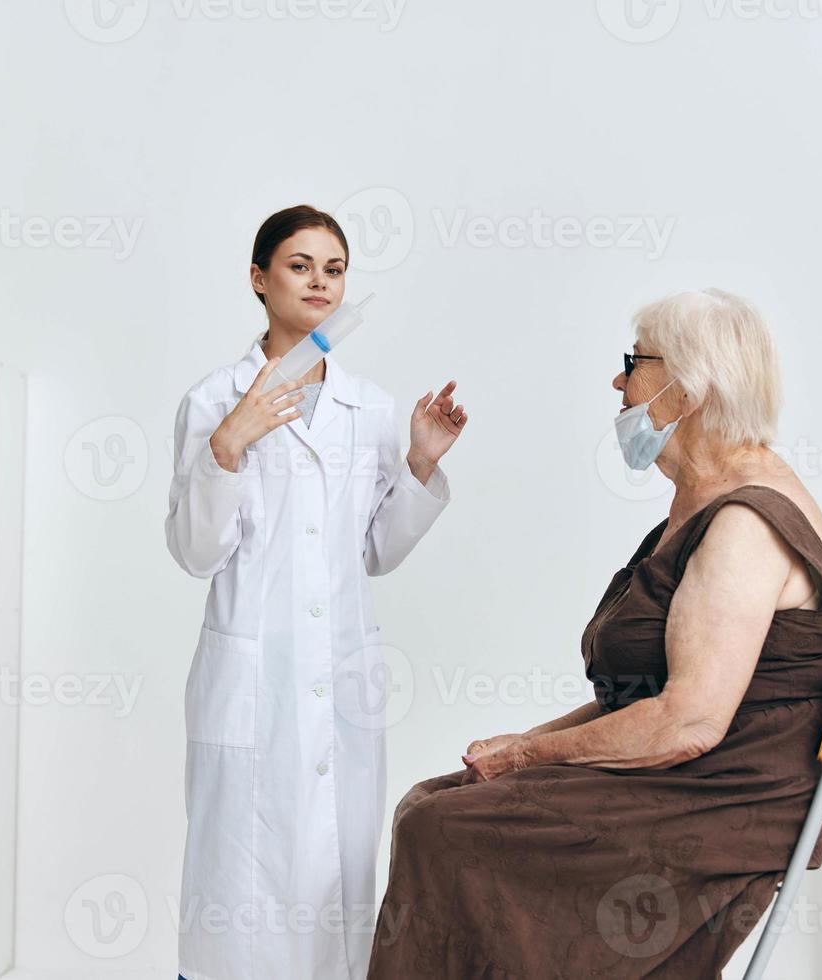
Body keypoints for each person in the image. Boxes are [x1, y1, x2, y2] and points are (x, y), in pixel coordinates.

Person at [368, 288, 822, 979]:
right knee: (435, 801)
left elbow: (687, 722)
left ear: (686, 388)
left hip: (722, 798)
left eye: (634, 361)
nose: (619, 382)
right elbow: (642, 697)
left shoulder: (746, 525)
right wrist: (526, 745)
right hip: (689, 773)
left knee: (441, 831)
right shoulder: (700, 501)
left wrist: (529, 759)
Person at [166, 205, 467, 980]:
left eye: (334, 269)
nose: (320, 282)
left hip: (340, 681)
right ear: (260, 279)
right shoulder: (213, 401)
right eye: (300, 265)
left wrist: (422, 463)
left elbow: (374, 550)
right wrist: (229, 446)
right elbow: (197, 553)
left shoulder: (366, 407)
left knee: (334, 886)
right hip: (251, 679)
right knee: (240, 882)